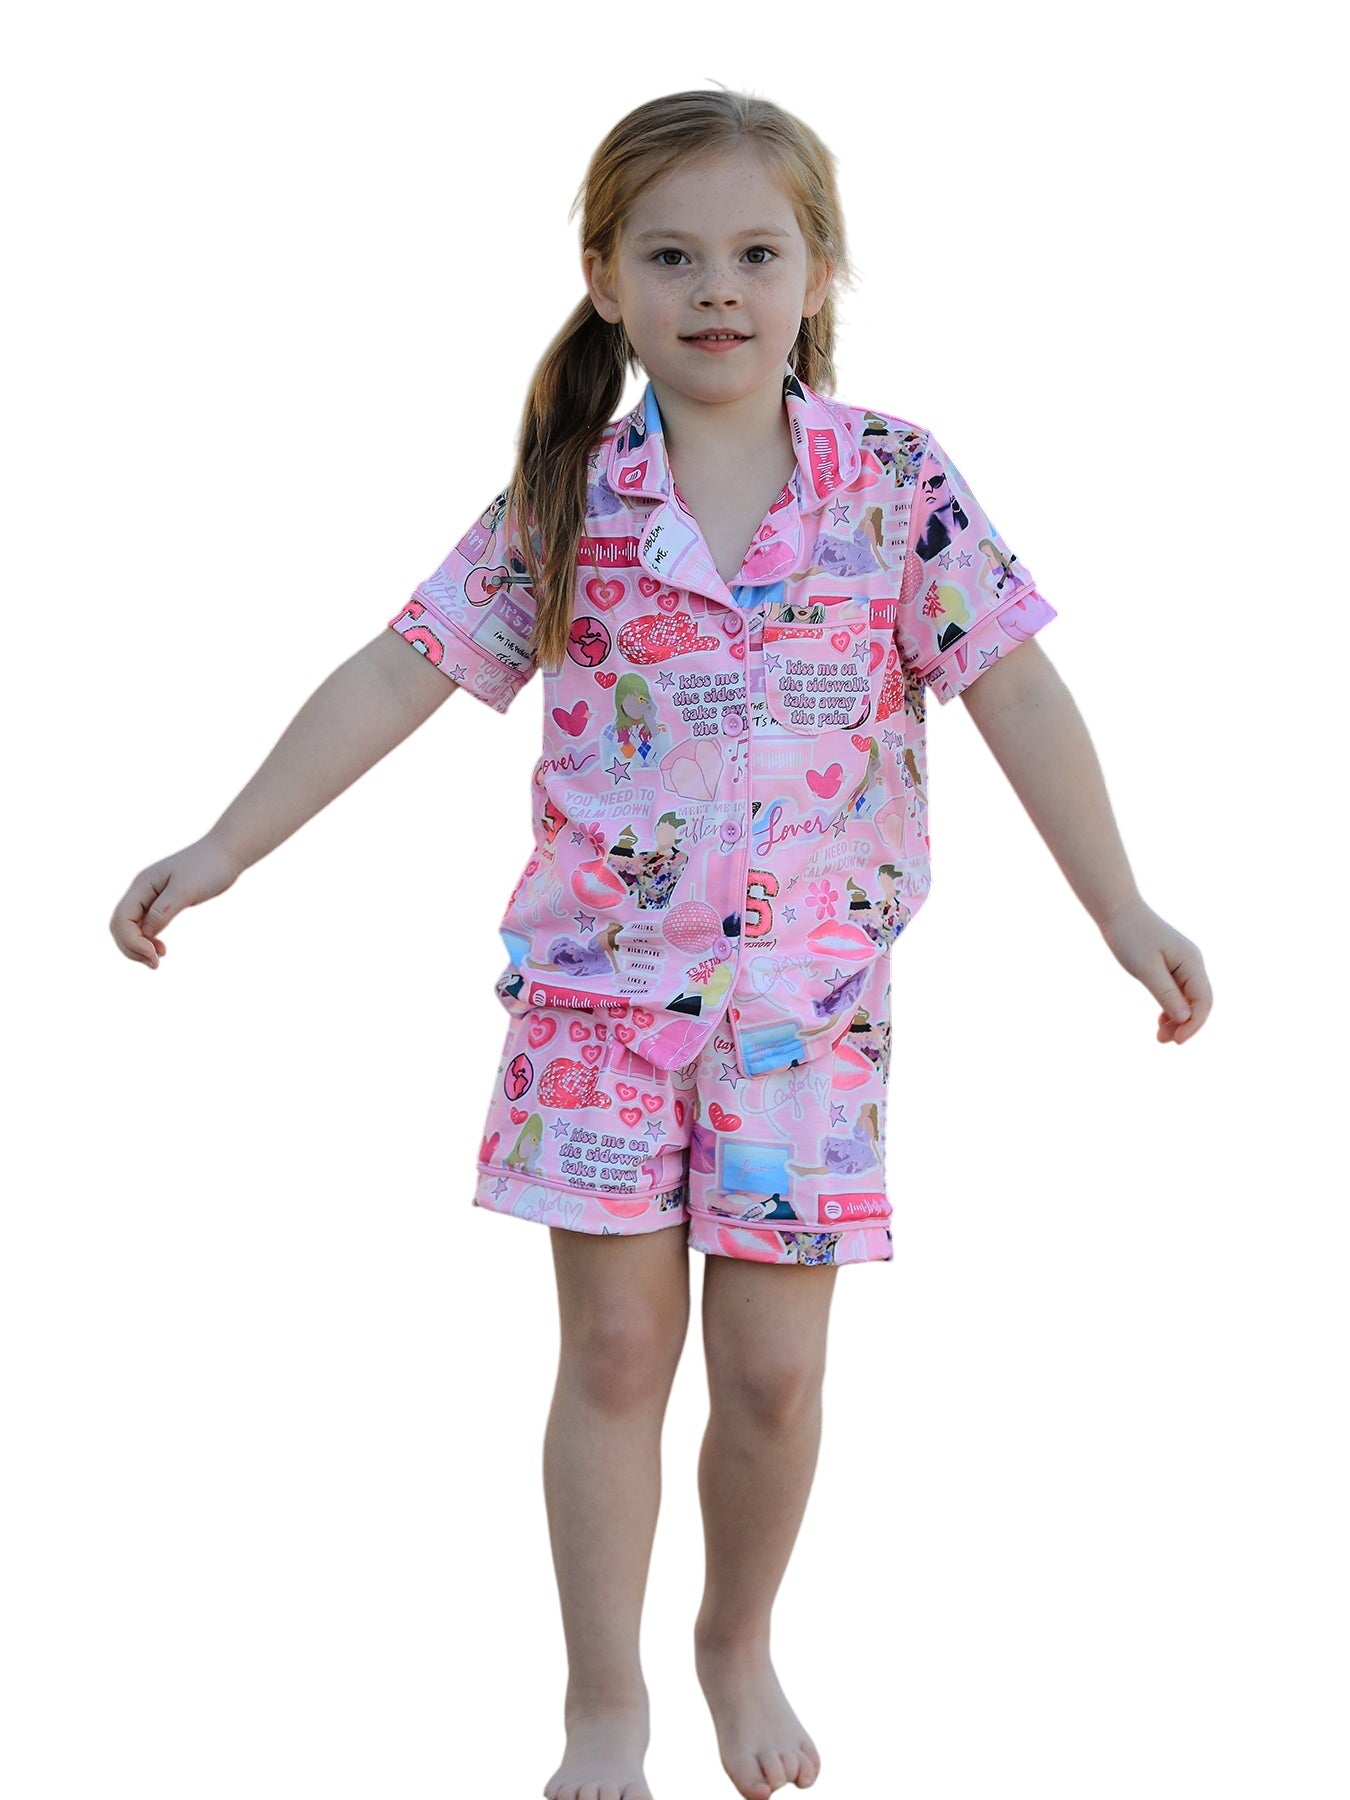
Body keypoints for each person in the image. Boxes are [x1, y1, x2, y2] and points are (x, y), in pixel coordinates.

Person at [108, 87, 1213, 1800]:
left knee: (769, 1379)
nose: (717, 289)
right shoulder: (564, 499)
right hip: (597, 1013)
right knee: (617, 1353)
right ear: (606, 279)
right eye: (673, 256)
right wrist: (225, 846)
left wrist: (1119, 906)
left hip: (806, 1019)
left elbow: (1017, 689)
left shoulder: (894, 483)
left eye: (756, 254)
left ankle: (734, 1642)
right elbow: (399, 670)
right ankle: (602, 1699)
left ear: (817, 273)